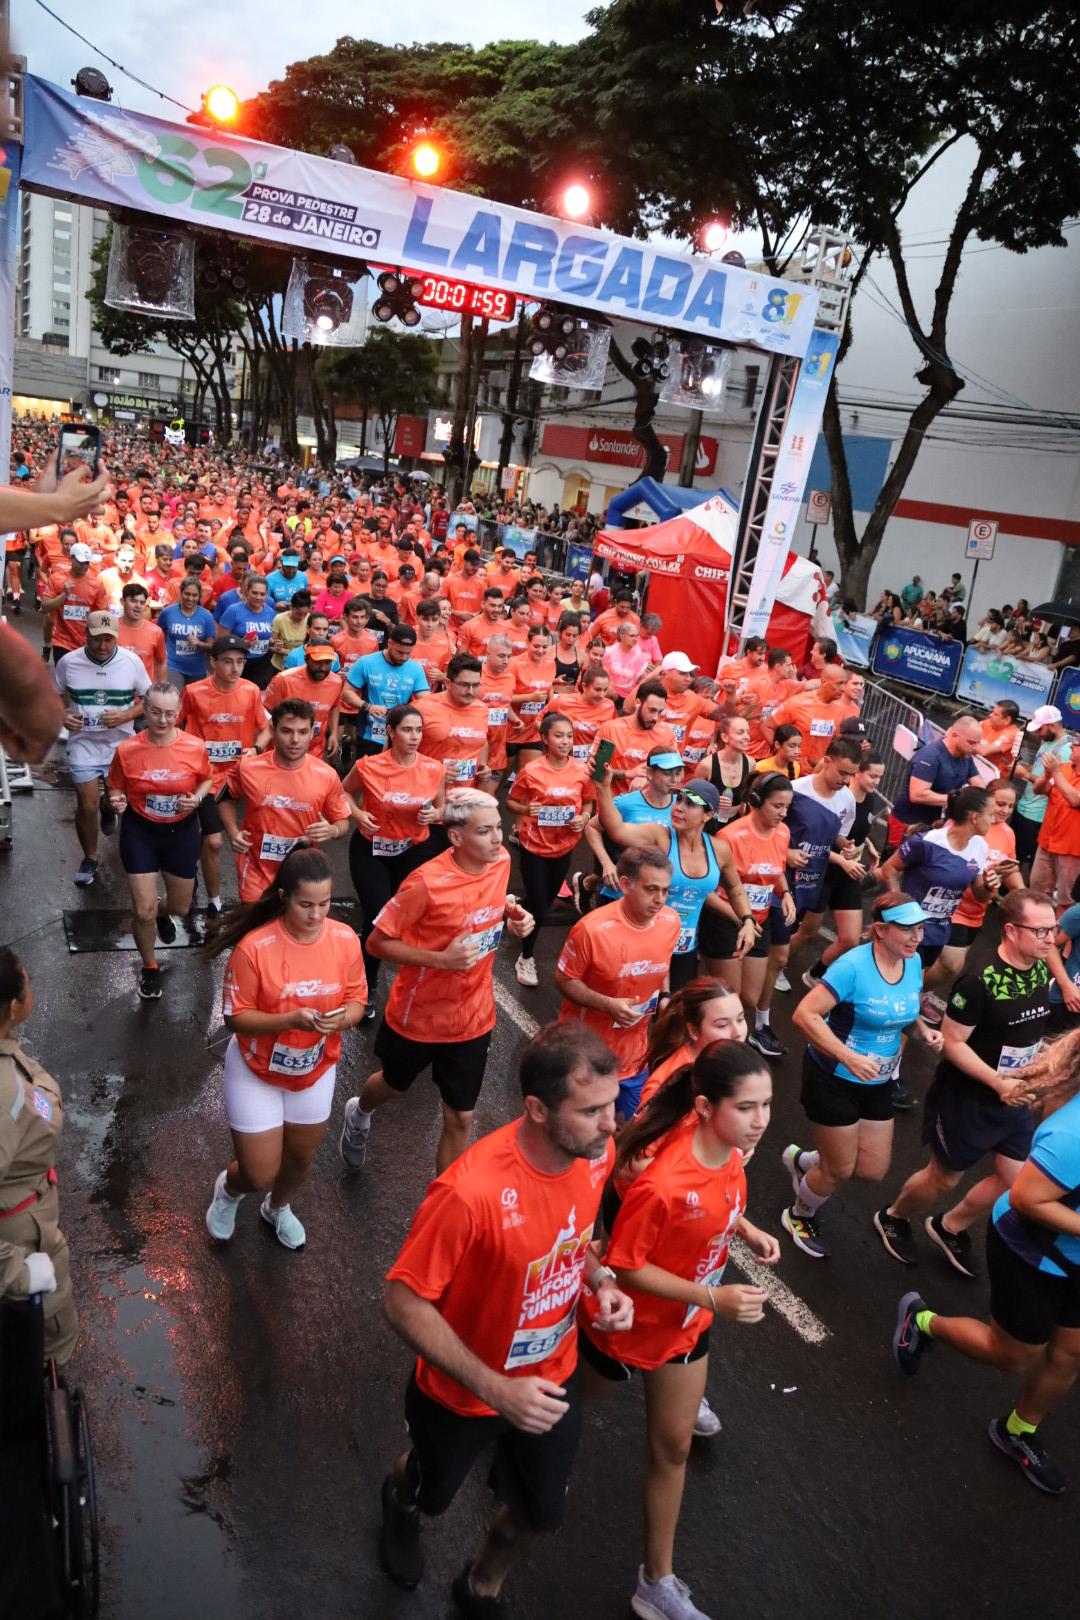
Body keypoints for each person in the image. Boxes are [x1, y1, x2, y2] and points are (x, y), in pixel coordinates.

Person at [377, 1024, 632, 1610]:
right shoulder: (469, 1193)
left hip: (552, 1378)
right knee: (431, 1493)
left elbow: (575, 1239)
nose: (611, 1124)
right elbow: (402, 1300)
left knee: (540, 1515)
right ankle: (401, 1501)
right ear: (537, 1109)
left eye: (612, 1105)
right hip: (462, 1396)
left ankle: (481, 1584)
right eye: (592, 1110)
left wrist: (601, 1281)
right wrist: (496, 1388)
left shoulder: (595, 1154)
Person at [579, 1042, 777, 1620]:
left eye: (766, 1105)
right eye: (746, 1107)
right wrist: (712, 1295)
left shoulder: (732, 1151)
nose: (760, 1120)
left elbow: (716, 1201)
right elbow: (627, 1262)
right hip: (626, 1329)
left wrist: (746, 1230)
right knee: (570, 1410)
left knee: (674, 1447)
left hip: (686, 1331)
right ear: (704, 1106)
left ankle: (655, 1581)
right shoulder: (663, 1181)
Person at [892, 1027, 1080, 1495]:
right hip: (1031, 1252)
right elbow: (1028, 1199)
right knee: (1012, 1355)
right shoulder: (1075, 1135)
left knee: (1071, 1351)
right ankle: (923, 1322)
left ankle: (1018, 1431)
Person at [340, 790, 534, 1176]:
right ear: (456, 837)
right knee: (394, 1087)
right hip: (419, 1017)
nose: (497, 838)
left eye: (499, 828)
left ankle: (444, 1205)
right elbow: (377, 942)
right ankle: (359, 1111)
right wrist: (440, 960)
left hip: (474, 1016)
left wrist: (513, 916)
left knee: (461, 1117)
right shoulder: (425, 883)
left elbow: (491, 905)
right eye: (485, 831)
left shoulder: (501, 862)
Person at [875, 888, 1055, 1277]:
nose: (1050, 939)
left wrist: (1035, 1072)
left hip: (1015, 1096)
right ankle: (893, 1216)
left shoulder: (1040, 969)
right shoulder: (979, 981)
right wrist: (997, 1081)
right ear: (1009, 930)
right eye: (1040, 931)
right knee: (944, 1177)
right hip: (968, 1097)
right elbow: (953, 1043)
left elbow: (1031, 1034)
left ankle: (949, 1226)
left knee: (1018, 1181)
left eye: (1053, 930)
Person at [204, 846, 366, 1251]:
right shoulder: (254, 949)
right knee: (258, 1172)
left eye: (325, 903)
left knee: (298, 1161)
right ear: (283, 898)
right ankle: (229, 1190)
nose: (316, 915)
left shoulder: (345, 940)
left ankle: (278, 1208)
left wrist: (340, 1019)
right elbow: (236, 1019)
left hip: (314, 1067)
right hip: (257, 1071)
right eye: (305, 904)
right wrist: (290, 1021)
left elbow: (357, 1002)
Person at [781, 894, 943, 1260]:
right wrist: (846, 1055)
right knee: (838, 1169)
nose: (917, 936)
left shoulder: (912, 961)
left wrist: (921, 1031)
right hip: (833, 1075)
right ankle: (799, 1213)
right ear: (880, 930)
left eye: (919, 928)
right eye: (906, 928)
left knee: (871, 1170)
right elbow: (804, 1015)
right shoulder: (851, 966)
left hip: (877, 1080)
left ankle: (805, 1162)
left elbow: (903, 1009)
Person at [596, 770, 756, 997]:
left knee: (675, 1016)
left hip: (683, 949)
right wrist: (603, 788)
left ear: (708, 815)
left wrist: (747, 919)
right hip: (646, 944)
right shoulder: (660, 836)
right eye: (678, 799)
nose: (679, 807)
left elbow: (735, 888)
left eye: (690, 804)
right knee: (635, 1010)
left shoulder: (719, 850)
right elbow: (617, 830)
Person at [556, 847, 682, 1120]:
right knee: (580, 1137)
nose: (659, 899)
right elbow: (565, 980)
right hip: (586, 1055)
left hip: (635, 1058)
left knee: (627, 1134)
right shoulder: (591, 930)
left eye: (665, 891)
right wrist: (608, 1004)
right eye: (651, 889)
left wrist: (665, 996)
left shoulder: (671, 921)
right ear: (626, 884)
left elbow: (663, 963)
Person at [106, 682, 214, 1000]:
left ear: (179, 714)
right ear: (145, 708)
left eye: (169, 714)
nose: (163, 720)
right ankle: (150, 966)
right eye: (155, 712)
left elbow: (207, 778)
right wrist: (117, 800)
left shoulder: (194, 747)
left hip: (181, 833)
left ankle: (161, 912)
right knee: (142, 912)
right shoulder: (127, 750)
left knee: (181, 906)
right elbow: (115, 786)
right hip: (141, 832)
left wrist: (195, 798)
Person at [0, 948, 77, 1363]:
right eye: (27, 982)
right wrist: (18, 1273)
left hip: (26, 1205)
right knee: (41, 1335)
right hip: (19, 1238)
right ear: (14, 1006)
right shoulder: (5, 1101)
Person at [342, 704, 445, 1013]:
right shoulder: (368, 766)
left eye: (418, 730)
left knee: (411, 921)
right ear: (390, 731)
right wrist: (358, 815)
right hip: (371, 850)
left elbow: (442, 807)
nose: (414, 737)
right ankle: (367, 983)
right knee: (377, 917)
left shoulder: (433, 768)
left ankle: (412, 987)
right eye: (407, 730)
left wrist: (434, 813)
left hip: (413, 851)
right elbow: (343, 792)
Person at [880, 785, 997, 1027]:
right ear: (974, 817)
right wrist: (901, 909)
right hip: (909, 931)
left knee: (905, 994)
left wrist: (987, 884)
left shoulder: (979, 848)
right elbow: (890, 868)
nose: (994, 819)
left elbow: (979, 894)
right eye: (991, 814)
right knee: (900, 997)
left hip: (938, 932)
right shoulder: (927, 842)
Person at [219, 700, 351, 903]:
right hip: (255, 866)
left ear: (312, 733)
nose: (295, 740)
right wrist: (233, 832)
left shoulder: (326, 775)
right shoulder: (248, 767)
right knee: (254, 926)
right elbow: (226, 799)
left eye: (302, 732)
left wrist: (332, 830)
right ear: (272, 731)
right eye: (287, 731)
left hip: (301, 870)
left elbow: (343, 822)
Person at [54, 610, 151, 887]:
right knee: (86, 804)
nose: (103, 646)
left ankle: (109, 809)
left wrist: (125, 716)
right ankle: (90, 857)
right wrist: (62, 715)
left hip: (119, 745)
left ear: (117, 638)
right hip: (83, 743)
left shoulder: (131, 662)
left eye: (109, 640)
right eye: (97, 639)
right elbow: (50, 694)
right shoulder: (69, 663)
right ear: (86, 634)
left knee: (114, 801)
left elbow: (149, 699)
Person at [179, 635, 272, 912]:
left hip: (238, 777)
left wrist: (256, 747)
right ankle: (214, 901)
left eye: (240, 662)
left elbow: (267, 726)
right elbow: (175, 724)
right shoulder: (194, 692)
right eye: (228, 662)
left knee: (252, 834)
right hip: (205, 778)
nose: (235, 669)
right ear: (212, 662)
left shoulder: (251, 691)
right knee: (215, 841)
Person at [507, 712, 596, 986]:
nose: (566, 741)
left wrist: (583, 817)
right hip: (533, 847)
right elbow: (513, 802)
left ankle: (512, 907)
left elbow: (589, 803)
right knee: (541, 906)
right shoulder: (532, 770)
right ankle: (526, 957)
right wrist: (525, 809)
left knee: (540, 902)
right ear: (544, 739)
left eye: (569, 736)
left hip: (564, 847)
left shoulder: (582, 772)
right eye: (559, 736)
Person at [797, 751, 885, 980]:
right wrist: (842, 860)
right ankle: (776, 964)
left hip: (846, 875)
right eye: (872, 776)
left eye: (880, 778)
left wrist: (868, 846)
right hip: (823, 872)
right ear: (857, 774)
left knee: (849, 938)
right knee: (807, 930)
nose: (876, 783)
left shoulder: (868, 799)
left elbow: (849, 832)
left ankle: (815, 975)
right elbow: (818, 838)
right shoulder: (836, 797)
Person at [887, 715, 983, 849]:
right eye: (972, 742)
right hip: (908, 824)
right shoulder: (931, 755)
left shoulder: (965, 756)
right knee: (893, 866)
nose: (976, 748)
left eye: (978, 743)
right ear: (954, 735)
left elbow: (979, 786)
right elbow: (917, 794)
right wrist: (957, 800)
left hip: (932, 826)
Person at [341, 624, 430, 755]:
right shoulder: (366, 662)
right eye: (400, 652)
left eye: (408, 653)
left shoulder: (416, 669)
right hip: (369, 734)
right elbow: (347, 693)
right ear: (389, 643)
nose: (404, 657)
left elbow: (426, 701)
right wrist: (368, 707)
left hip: (400, 736)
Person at [1011, 705, 1072, 871]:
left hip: (1037, 815)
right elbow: (1038, 766)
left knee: (1024, 861)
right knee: (1013, 854)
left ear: (1052, 725)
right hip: (1025, 806)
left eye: (1040, 729)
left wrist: (1024, 774)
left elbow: (1055, 785)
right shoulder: (1047, 741)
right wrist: (1023, 767)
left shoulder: (1066, 750)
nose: (1037, 733)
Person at [594, 680, 680, 794]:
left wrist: (650, 778)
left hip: (648, 806)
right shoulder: (611, 729)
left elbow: (676, 774)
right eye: (652, 710)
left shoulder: (666, 734)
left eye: (660, 712)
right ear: (638, 703)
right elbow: (596, 772)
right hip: (613, 803)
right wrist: (628, 773)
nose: (655, 717)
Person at [264, 641, 345, 762]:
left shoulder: (336, 682)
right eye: (318, 662)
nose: (322, 667)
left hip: (315, 749)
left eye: (327, 663)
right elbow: (265, 712)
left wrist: (333, 733)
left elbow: (334, 706)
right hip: (282, 749)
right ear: (306, 659)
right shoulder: (284, 680)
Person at [1031, 746, 1080, 912]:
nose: (1072, 746)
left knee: (1066, 900)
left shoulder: (1059, 770)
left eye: (1077, 744)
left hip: (1072, 852)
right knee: (1037, 892)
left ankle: (1056, 936)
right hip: (1046, 844)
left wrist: (1055, 772)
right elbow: (1038, 789)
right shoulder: (1064, 768)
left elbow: (1075, 799)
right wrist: (1047, 774)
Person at [508, 625, 557, 767]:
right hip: (513, 727)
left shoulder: (550, 663)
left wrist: (551, 704)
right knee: (499, 781)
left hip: (534, 729)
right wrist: (530, 698)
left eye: (545, 646)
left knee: (528, 776)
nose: (541, 651)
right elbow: (504, 698)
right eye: (536, 646)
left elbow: (548, 687)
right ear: (528, 642)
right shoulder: (514, 664)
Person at [218, 573, 277, 689]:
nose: (258, 597)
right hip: (238, 663)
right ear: (246, 592)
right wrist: (242, 644)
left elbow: (265, 636)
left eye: (262, 594)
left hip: (262, 662)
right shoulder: (233, 611)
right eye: (254, 593)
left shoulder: (270, 612)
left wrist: (272, 642)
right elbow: (220, 641)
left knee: (259, 697)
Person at [157, 576, 218, 688]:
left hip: (197, 669)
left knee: (193, 702)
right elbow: (159, 634)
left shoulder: (206, 616)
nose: (190, 598)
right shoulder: (168, 612)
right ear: (181, 593)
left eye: (194, 595)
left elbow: (212, 646)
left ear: (200, 596)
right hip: (173, 665)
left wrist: (199, 643)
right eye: (187, 594)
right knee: (173, 698)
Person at [692, 715, 753, 825]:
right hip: (708, 825)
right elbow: (691, 797)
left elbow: (745, 802)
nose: (747, 737)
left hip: (735, 825)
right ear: (725, 737)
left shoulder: (751, 764)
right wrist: (712, 801)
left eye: (747, 732)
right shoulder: (707, 765)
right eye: (740, 732)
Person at [117, 581, 168, 683]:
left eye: (142, 602)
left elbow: (162, 662)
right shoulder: (111, 628)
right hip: (116, 692)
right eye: (133, 601)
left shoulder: (156, 632)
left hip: (144, 694)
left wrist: (162, 689)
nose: (138, 606)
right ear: (122, 601)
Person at [978, 699, 1022, 779]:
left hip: (995, 778)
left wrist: (967, 742)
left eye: (995, 714)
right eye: (992, 712)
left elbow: (984, 751)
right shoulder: (989, 722)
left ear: (1007, 720)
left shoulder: (1013, 734)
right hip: (979, 768)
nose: (990, 715)